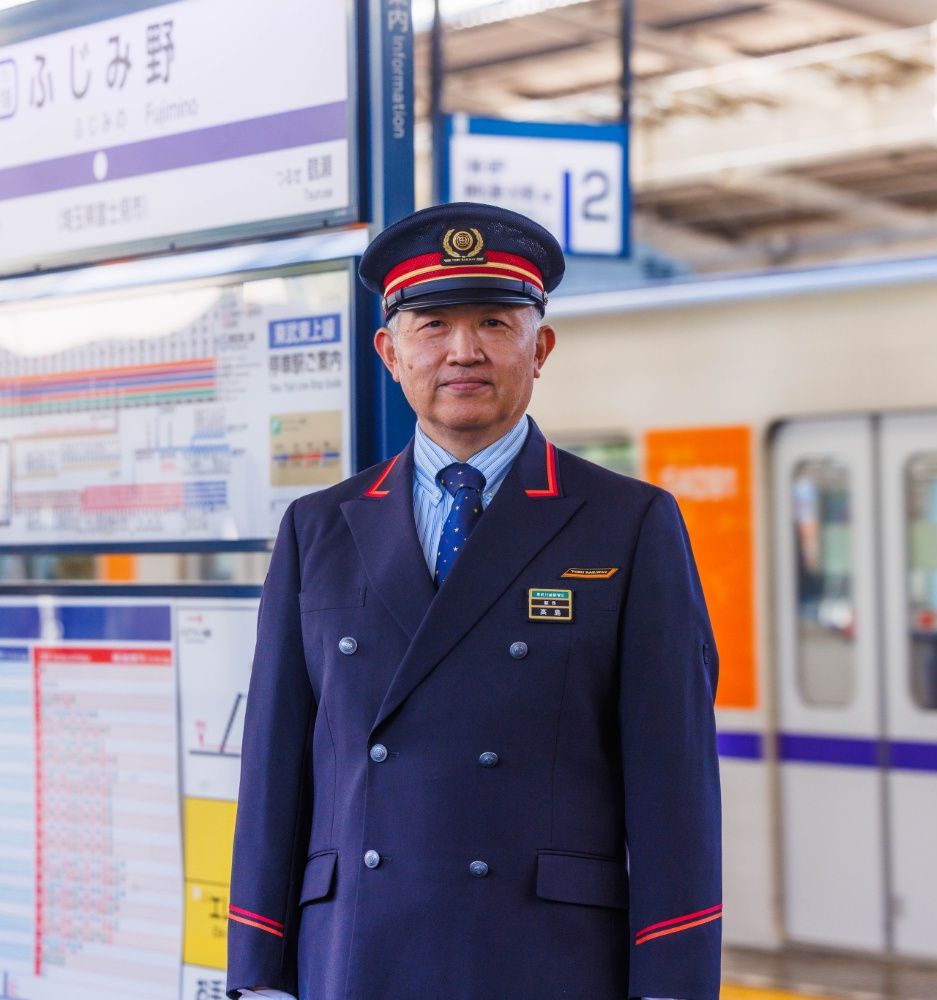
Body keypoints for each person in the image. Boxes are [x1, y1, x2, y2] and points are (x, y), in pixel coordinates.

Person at [225, 203, 722, 1000]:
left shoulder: (627, 524)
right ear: (390, 352)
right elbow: (274, 775)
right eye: (432, 325)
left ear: (541, 346)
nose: (463, 351)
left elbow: (675, 786)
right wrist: (258, 974)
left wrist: (672, 983)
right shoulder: (317, 530)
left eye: (494, 321)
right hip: (355, 954)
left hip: (548, 960)